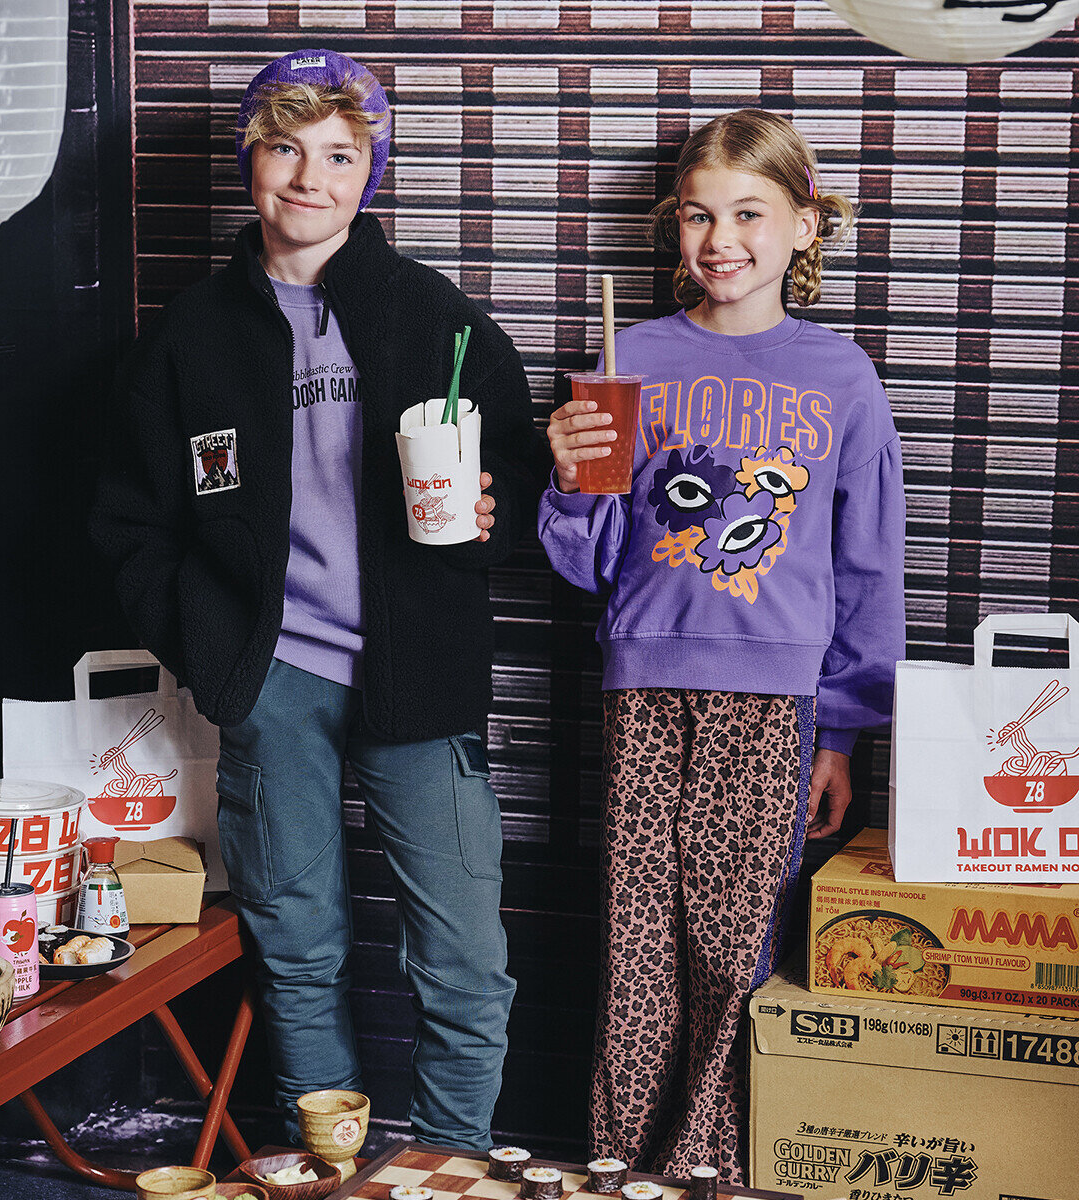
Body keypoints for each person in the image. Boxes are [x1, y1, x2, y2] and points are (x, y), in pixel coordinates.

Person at [92, 48, 550, 1151]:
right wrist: (213, 648)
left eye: (341, 155)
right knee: (297, 947)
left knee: (463, 960)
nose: (310, 178)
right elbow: (130, 520)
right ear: (249, 160)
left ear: (369, 173)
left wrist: (494, 507)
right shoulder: (191, 334)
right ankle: (328, 1168)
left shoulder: (434, 316)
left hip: (418, 672)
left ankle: (449, 1167)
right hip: (273, 678)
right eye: (286, 148)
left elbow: (518, 475)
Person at [538, 110, 905, 1182]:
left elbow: (868, 570)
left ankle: (711, 1167)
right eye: (699, 215)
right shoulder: (632, 357)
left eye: (749, 213)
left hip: (776, 704)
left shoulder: (842, 377)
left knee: (737, 944)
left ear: (805, 226)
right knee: (638, 941)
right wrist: (570, 477)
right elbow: (589, 563)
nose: (721, 239)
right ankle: (625, 1163)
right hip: (643, 688)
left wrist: (843, 734)